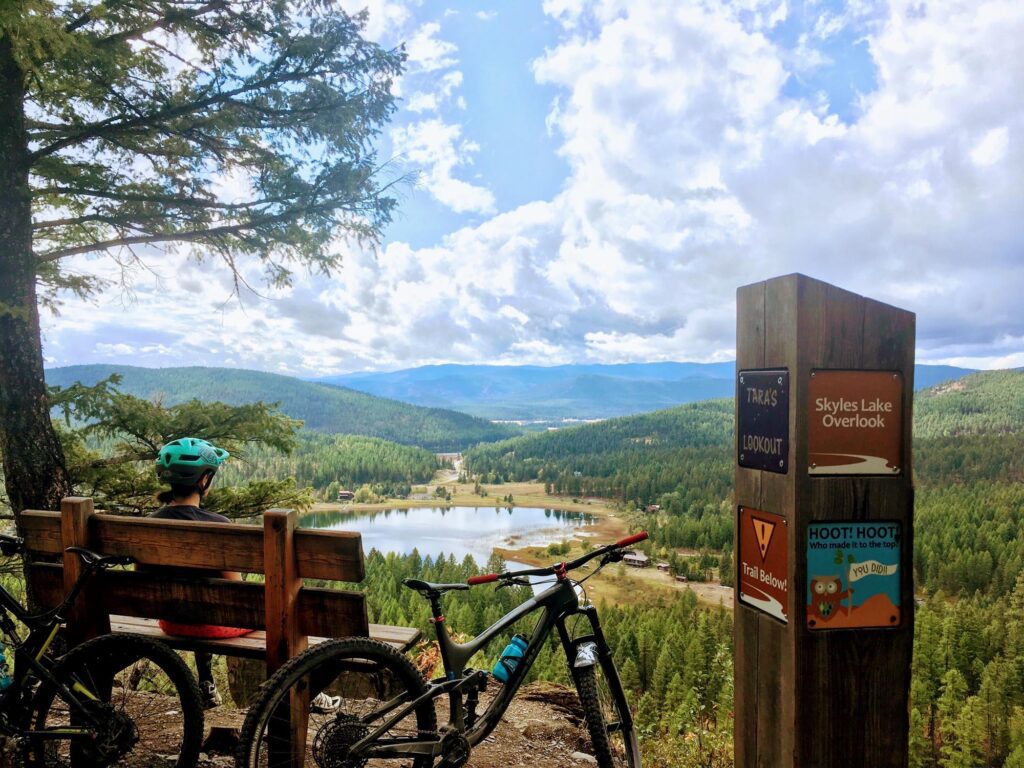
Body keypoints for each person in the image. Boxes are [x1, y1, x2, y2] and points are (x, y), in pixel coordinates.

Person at [153, 437, 341, 712]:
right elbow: (235, 591)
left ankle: (205, 684)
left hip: (170, 621)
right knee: (286, 615)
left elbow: (142, 577)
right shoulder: (220, 526)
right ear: (204, 481)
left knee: (196, 597)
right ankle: (305, 691)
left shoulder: (151, 522)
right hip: (213, 623)